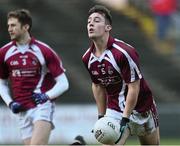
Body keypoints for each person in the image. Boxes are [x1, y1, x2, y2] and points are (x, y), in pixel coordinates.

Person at [82, 5, 160, 145]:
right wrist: (101, 116)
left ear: (108, 27)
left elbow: (133, 88)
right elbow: (97, 86)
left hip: (142, 107)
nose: (91, 24)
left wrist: (126, 118)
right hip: (115, 109)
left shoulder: (124, 52)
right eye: (89, 21)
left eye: (97, 20)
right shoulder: (87, 58)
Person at [0, 9, 69, 145]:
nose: (9, 29)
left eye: (13, 25)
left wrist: (46, 96)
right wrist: (10, 103)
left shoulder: (44, 50)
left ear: (26, 27)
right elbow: (1, 83)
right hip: (21, 109)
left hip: (42, 106)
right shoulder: (4, 53)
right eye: (8, 26)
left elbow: (63, 83)